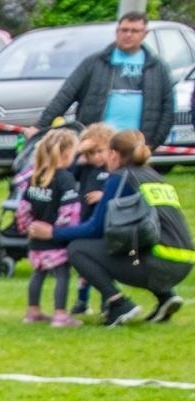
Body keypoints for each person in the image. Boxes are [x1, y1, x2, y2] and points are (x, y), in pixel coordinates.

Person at [33, 128, 193, 326]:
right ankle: (166, 296)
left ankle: (118, 303)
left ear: (114, 154)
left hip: (159, 263)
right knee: (125, 241)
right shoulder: (154, 176)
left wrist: (52, 232)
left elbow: (95, 229)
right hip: (185, 261)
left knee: (77, 249)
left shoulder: (120, 178)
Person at [36, 13, 176, 152]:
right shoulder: (94, 63)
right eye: (124, 30)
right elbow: (65, 96)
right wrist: (40, 127)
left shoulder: (157, 68)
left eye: (134, 31)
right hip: (97, 145)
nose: (128, 35)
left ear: (145, 34)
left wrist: (153, 142)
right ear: (117, 31)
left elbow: (168, 109)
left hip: (136, 146)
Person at [18, 129, 82, 327]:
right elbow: (70, 211)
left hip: (35, 238)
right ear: (67, 154)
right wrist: (63, 233)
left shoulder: (35, 176)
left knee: (38, 272)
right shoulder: (65, 178)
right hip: (54, 239)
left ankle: (32, 311)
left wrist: (27, 227)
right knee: (62, 274)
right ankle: (60, 314)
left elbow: (23, 207)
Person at [68, 122, 115, 317]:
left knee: (105, 265)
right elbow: (67, 174)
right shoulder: (85, 167)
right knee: (85, 266)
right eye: (91, 153)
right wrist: (78, 152)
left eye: (100, 151)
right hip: (85, 221)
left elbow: (122, 192)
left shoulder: (113, 169)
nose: (96, 157)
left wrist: (103, 196)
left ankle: (108, 301)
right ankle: (82, 301)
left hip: (107, 224)